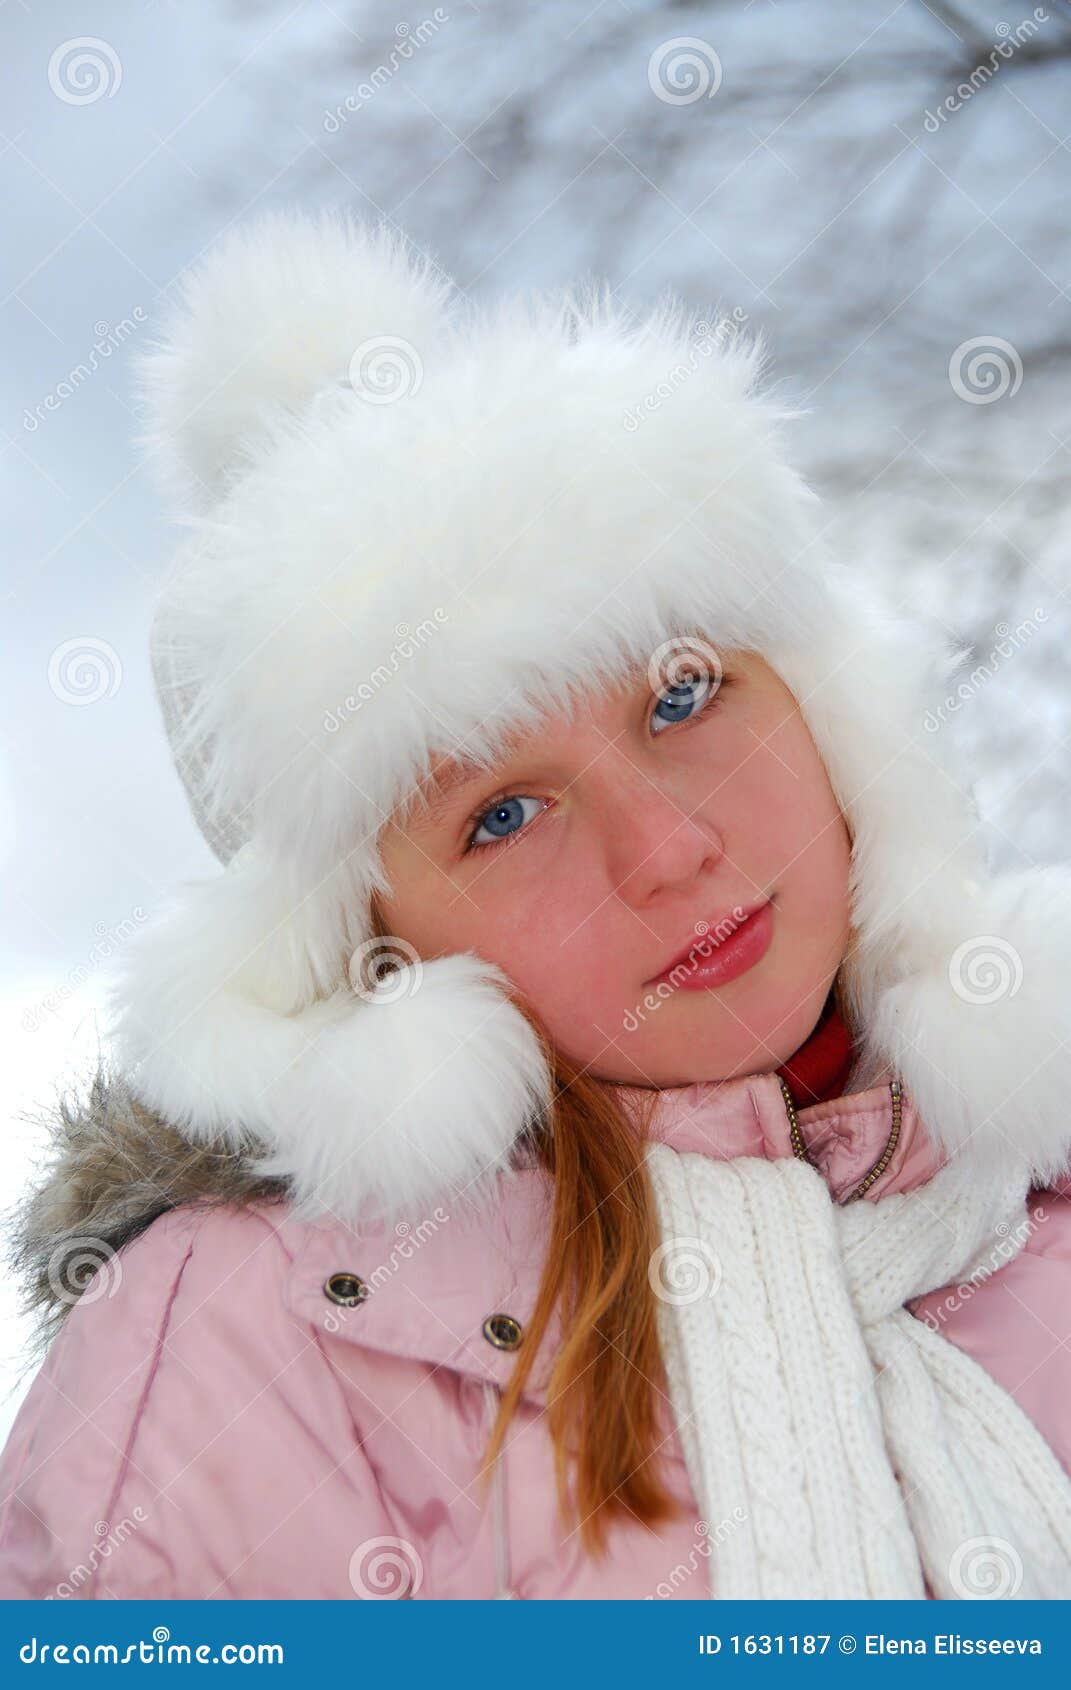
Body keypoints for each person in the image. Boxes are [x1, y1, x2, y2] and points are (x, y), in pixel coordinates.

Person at [2, 205, 1071, 1601]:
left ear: (829, 713)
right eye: (502, 814)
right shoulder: (226, 1358)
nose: (667, 846)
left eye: (683, 695)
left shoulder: (1033, 1192)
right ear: (375, 961)